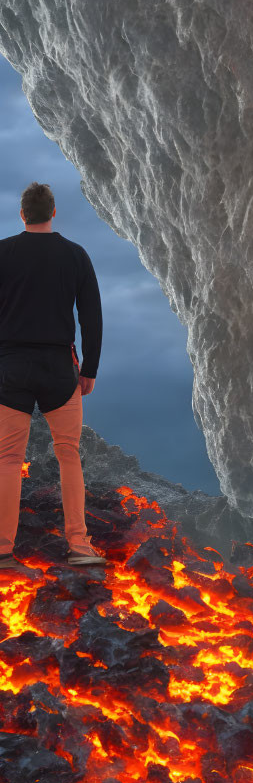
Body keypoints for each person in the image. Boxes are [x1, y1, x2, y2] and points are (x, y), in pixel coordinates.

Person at [0, 181, 106, 570]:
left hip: (10, 367)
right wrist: (90, 369)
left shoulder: (3, 253)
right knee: (68, 455)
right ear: (54, 212)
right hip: (60, 368)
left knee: (8, 459)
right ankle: (79, 546)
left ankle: (2, 549)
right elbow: (91, 317)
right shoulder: (75, 255)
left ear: (23, 214)